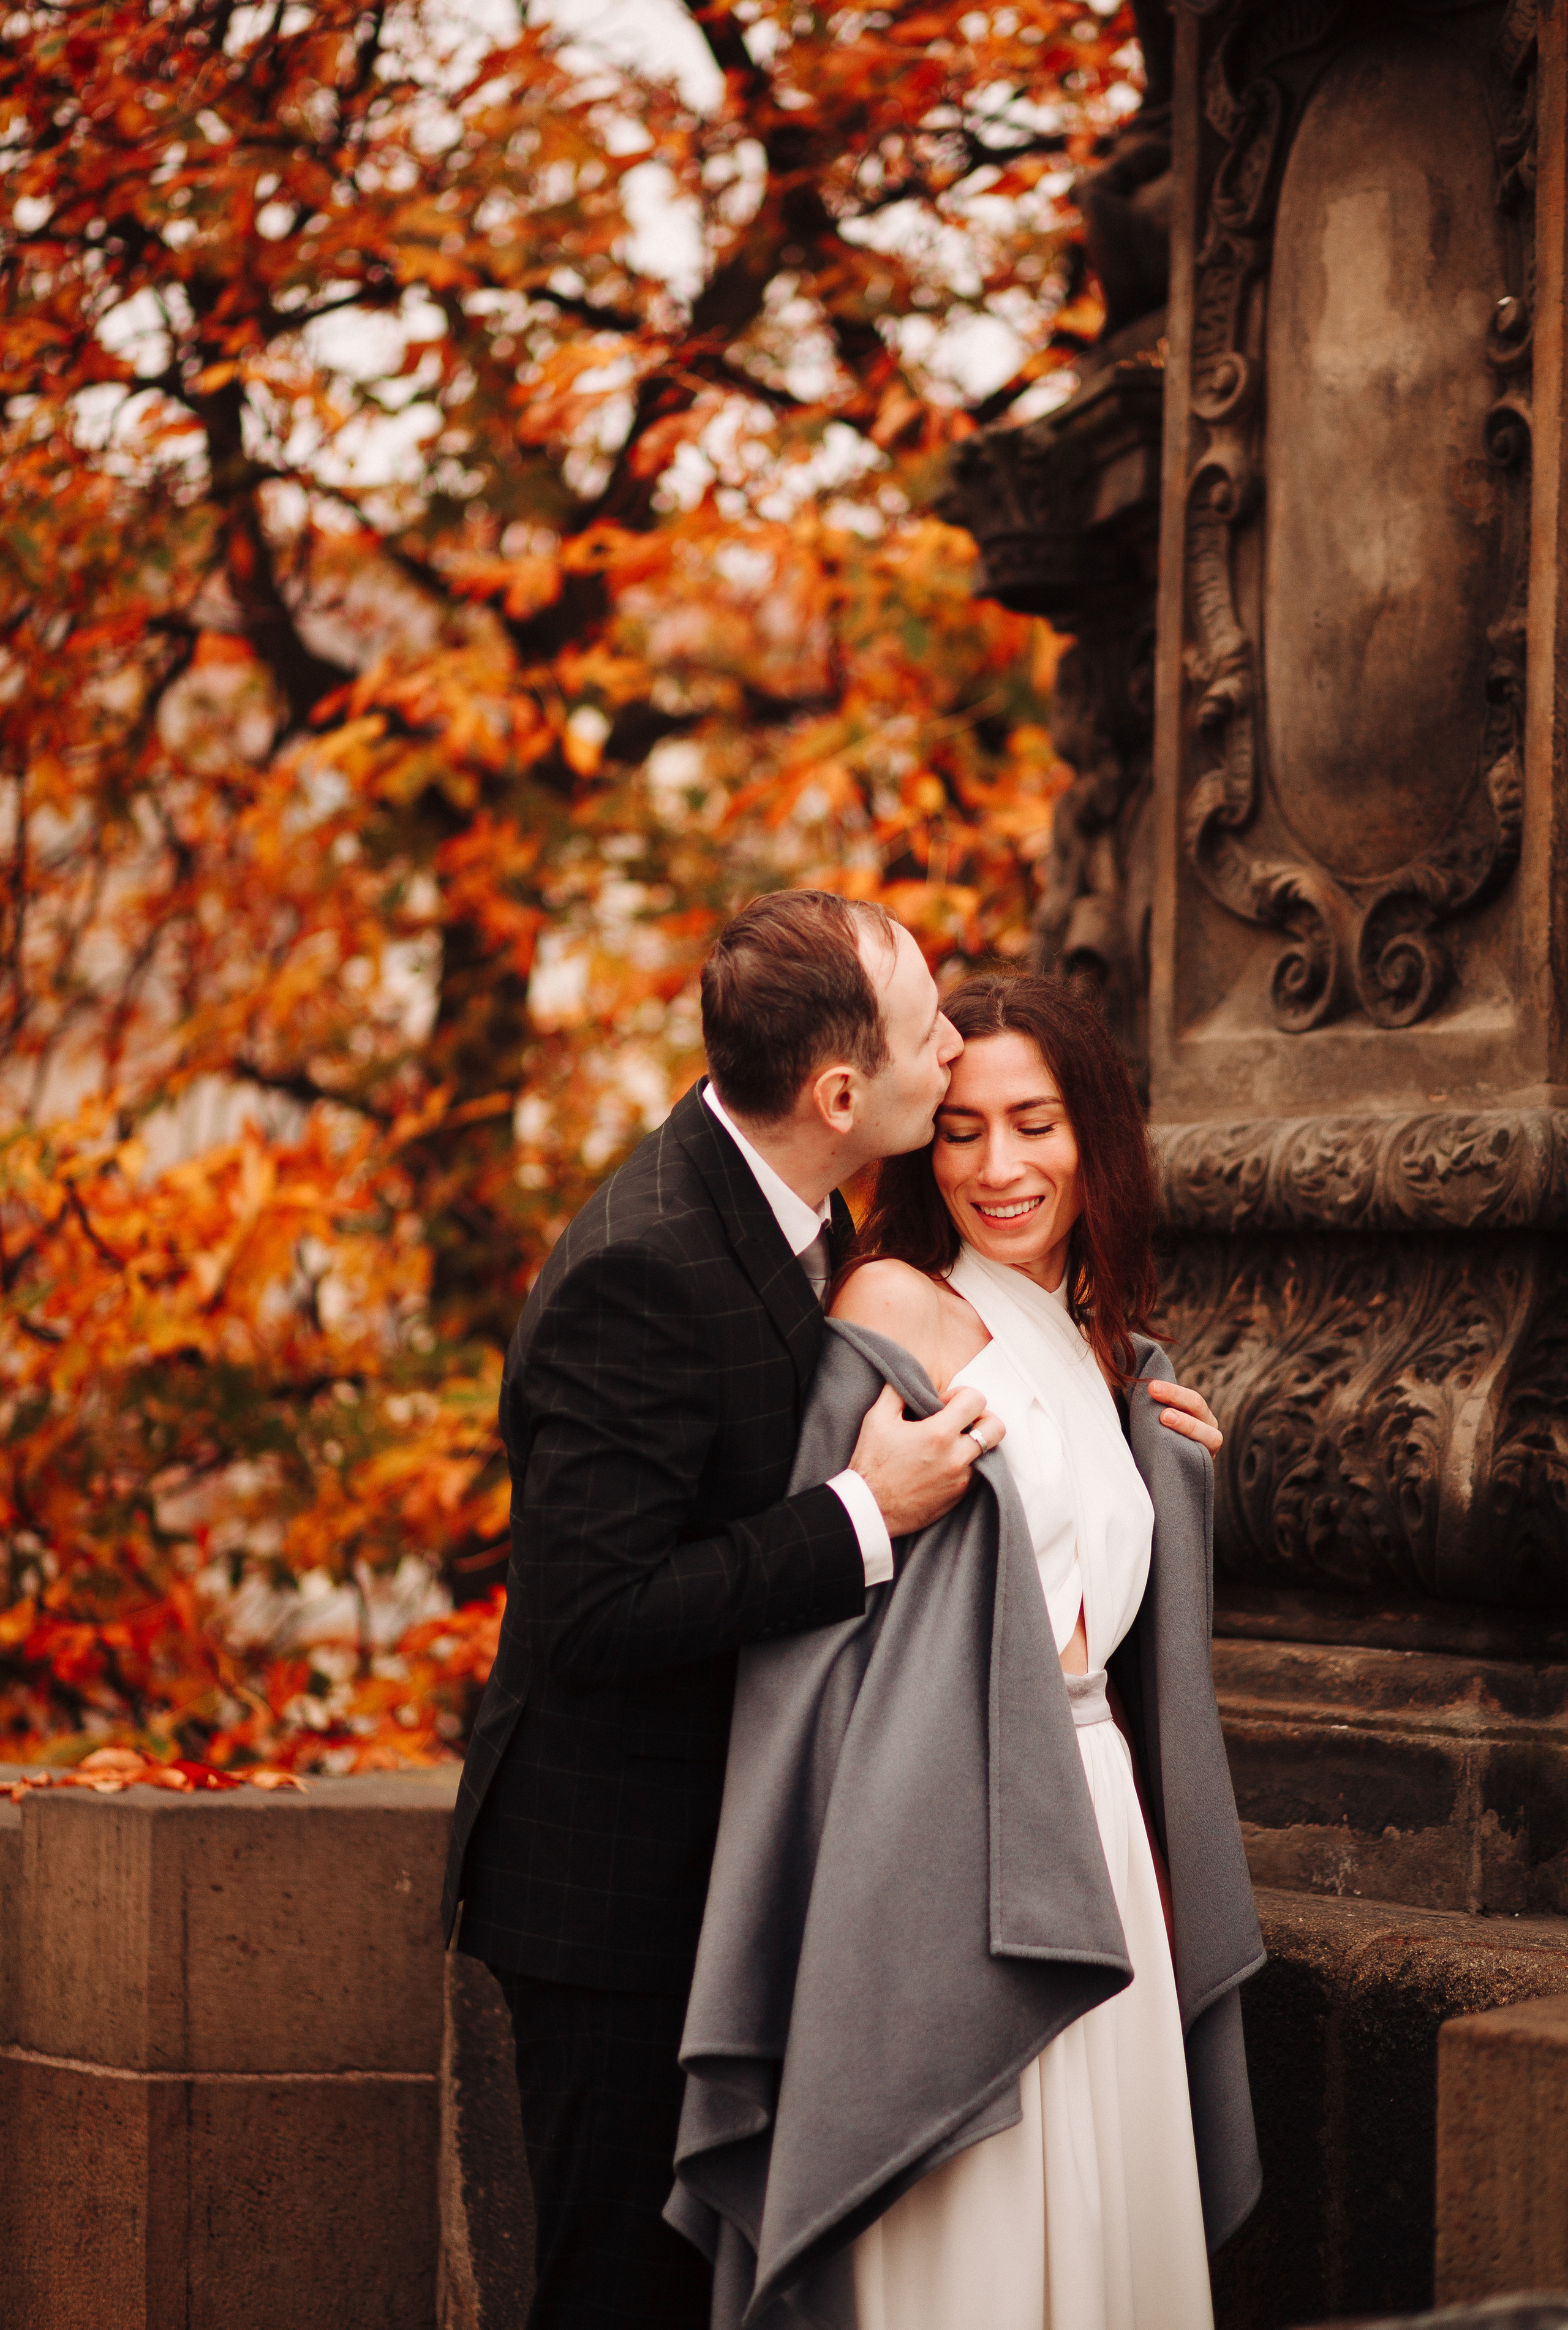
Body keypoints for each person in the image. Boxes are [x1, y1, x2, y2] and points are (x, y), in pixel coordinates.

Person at [440, 888, 1011, 2330]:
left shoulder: (797, 1207)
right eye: (925, 1029)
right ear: (837, 1091)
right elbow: (592, 1610)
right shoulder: (642, 1261)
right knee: (618, 2294)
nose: (951, 1047)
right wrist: (858, 1519)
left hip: (727, 1865)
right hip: (611, 1898)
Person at [668, 969, 1263, 2330]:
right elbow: (812, 1635)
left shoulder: (1109, 1352)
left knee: (1104, 2228)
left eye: (1034, 1122)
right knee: (968, 2246)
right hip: (941, 1839)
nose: (997, 1164)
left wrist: (1165, 1472)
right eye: (959, 1127)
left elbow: (1103, 1608)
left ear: (1093, 1133)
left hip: (1098, 1816)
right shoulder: (888, 1305)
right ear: (918, 1143)